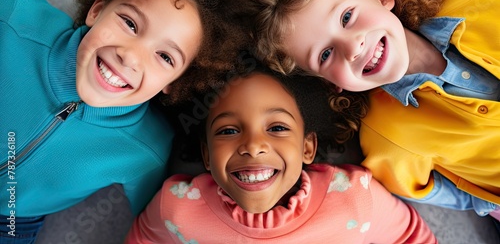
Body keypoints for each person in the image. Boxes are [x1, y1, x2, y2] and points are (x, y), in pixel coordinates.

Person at [0, 0, 249, 243]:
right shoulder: (14, 14)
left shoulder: (147, 151)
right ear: (97, 8)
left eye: (165, 57)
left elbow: (155, 226)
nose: (130, 56)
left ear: (174, 82)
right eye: (130, 24)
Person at [250, 0, 500, 225]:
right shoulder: (387, 142)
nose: (353, 47)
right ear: (331, 83)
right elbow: (445, 193)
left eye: (346, 18)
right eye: (326, 54)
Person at [125, 55, 436, 243]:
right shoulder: (178, 209)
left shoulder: (356, 199)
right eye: (228, 130)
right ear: (206, 155)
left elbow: (412, 237)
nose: (253, 145)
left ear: (307, 147)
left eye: (277, 128)